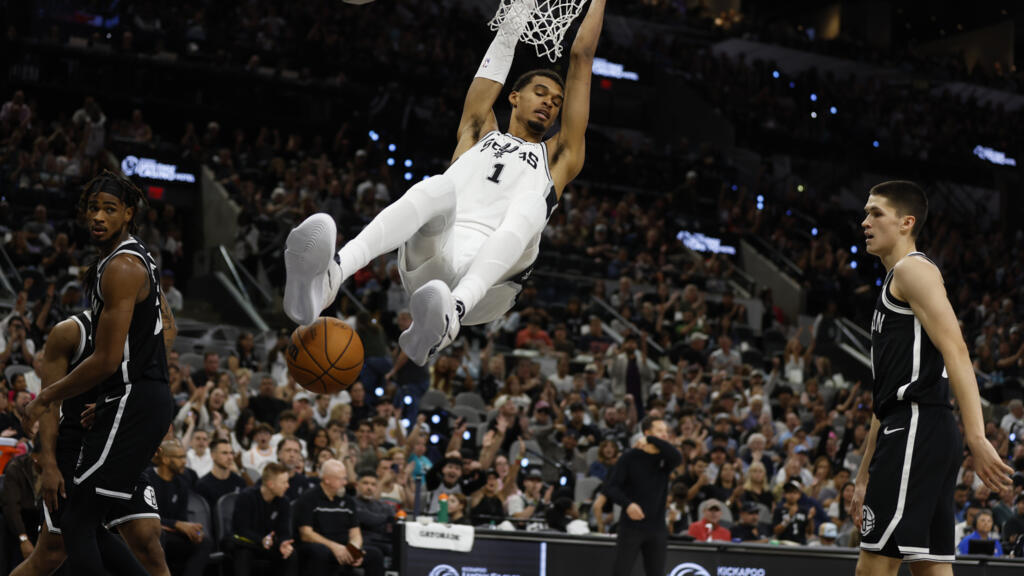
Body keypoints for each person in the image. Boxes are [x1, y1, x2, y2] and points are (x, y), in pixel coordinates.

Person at [282, 0, 608, 368]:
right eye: (541, 92)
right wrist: (521, 8)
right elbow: (504, 41)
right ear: (513, 97)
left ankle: (452, 312)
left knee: (533, 204)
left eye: (556, 101)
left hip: (491, 289)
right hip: (431, 263)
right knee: (436, 186)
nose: (550, 103)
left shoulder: (559, 159)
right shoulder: (477, 131)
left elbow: (581, 55)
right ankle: (330, 276)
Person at [852, 181, 1013, 574]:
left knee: (874, 566)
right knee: (930, 567)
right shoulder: (896, 281)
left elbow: (957, 350)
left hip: (916, 426)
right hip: (915, 428)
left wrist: (977, 436)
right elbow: (884, 397)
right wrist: (862, 476)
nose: (864, 222)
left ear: (907, 222)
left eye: (876, 213)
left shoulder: (913, 270)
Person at [11, 311, 171, 576]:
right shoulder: (69, 332)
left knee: (148, 542)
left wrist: (114, 407)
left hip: (121, 446)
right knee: (52, 552)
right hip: (76, 448)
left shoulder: (144, 331)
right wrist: (49, 464)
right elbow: (50, 404)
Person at [603, 416, 682, 576]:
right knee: (621, 572)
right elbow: (611, 487)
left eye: (666, 431)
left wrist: (651, 439)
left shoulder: (665, 459)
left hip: (657, 527)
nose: (665, 435)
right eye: (659, 431)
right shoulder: (629, 458)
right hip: (632, 526)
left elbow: (677, 457)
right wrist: (628, 504)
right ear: (646, 432)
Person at [294, 459, 384, 576]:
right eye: (341, 479)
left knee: (375, 554)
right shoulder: (309, 498)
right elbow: (306, 534)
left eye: (345, 478)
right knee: (320, 552)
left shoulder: (347, 501)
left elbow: (355, 533)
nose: (345, 482)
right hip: (320, 546)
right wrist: (334, 547)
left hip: (344, 547)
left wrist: (353, 551)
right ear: (327, 479)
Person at [144, 440, 215, 576]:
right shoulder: (147, 479)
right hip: (150, 534)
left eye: (185, 457)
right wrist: (177, 524)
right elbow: (147, 518)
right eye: (180, 457)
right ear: (165, 459)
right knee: (160, 537)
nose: (184, 462)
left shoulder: (182, 483)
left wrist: (192, 531)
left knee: (204, 541)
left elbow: (181, 518)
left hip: (171, 533)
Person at [230, 462, 298, 576]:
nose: (288, 486)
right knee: (243, 552)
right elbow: (241, 529)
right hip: (248, 543)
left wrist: (284, 543)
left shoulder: (284, 501)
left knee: (290, 553)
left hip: (270, 545)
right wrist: (261, 540)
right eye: (284, 482)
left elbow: (284, 531)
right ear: (271, 484)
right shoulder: (246, 497)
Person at [195, 438, 247, 511]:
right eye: (224, 453)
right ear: (213, 455)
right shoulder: (202, 485)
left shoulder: (240, 482)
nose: (230, 457)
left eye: (231, 453)